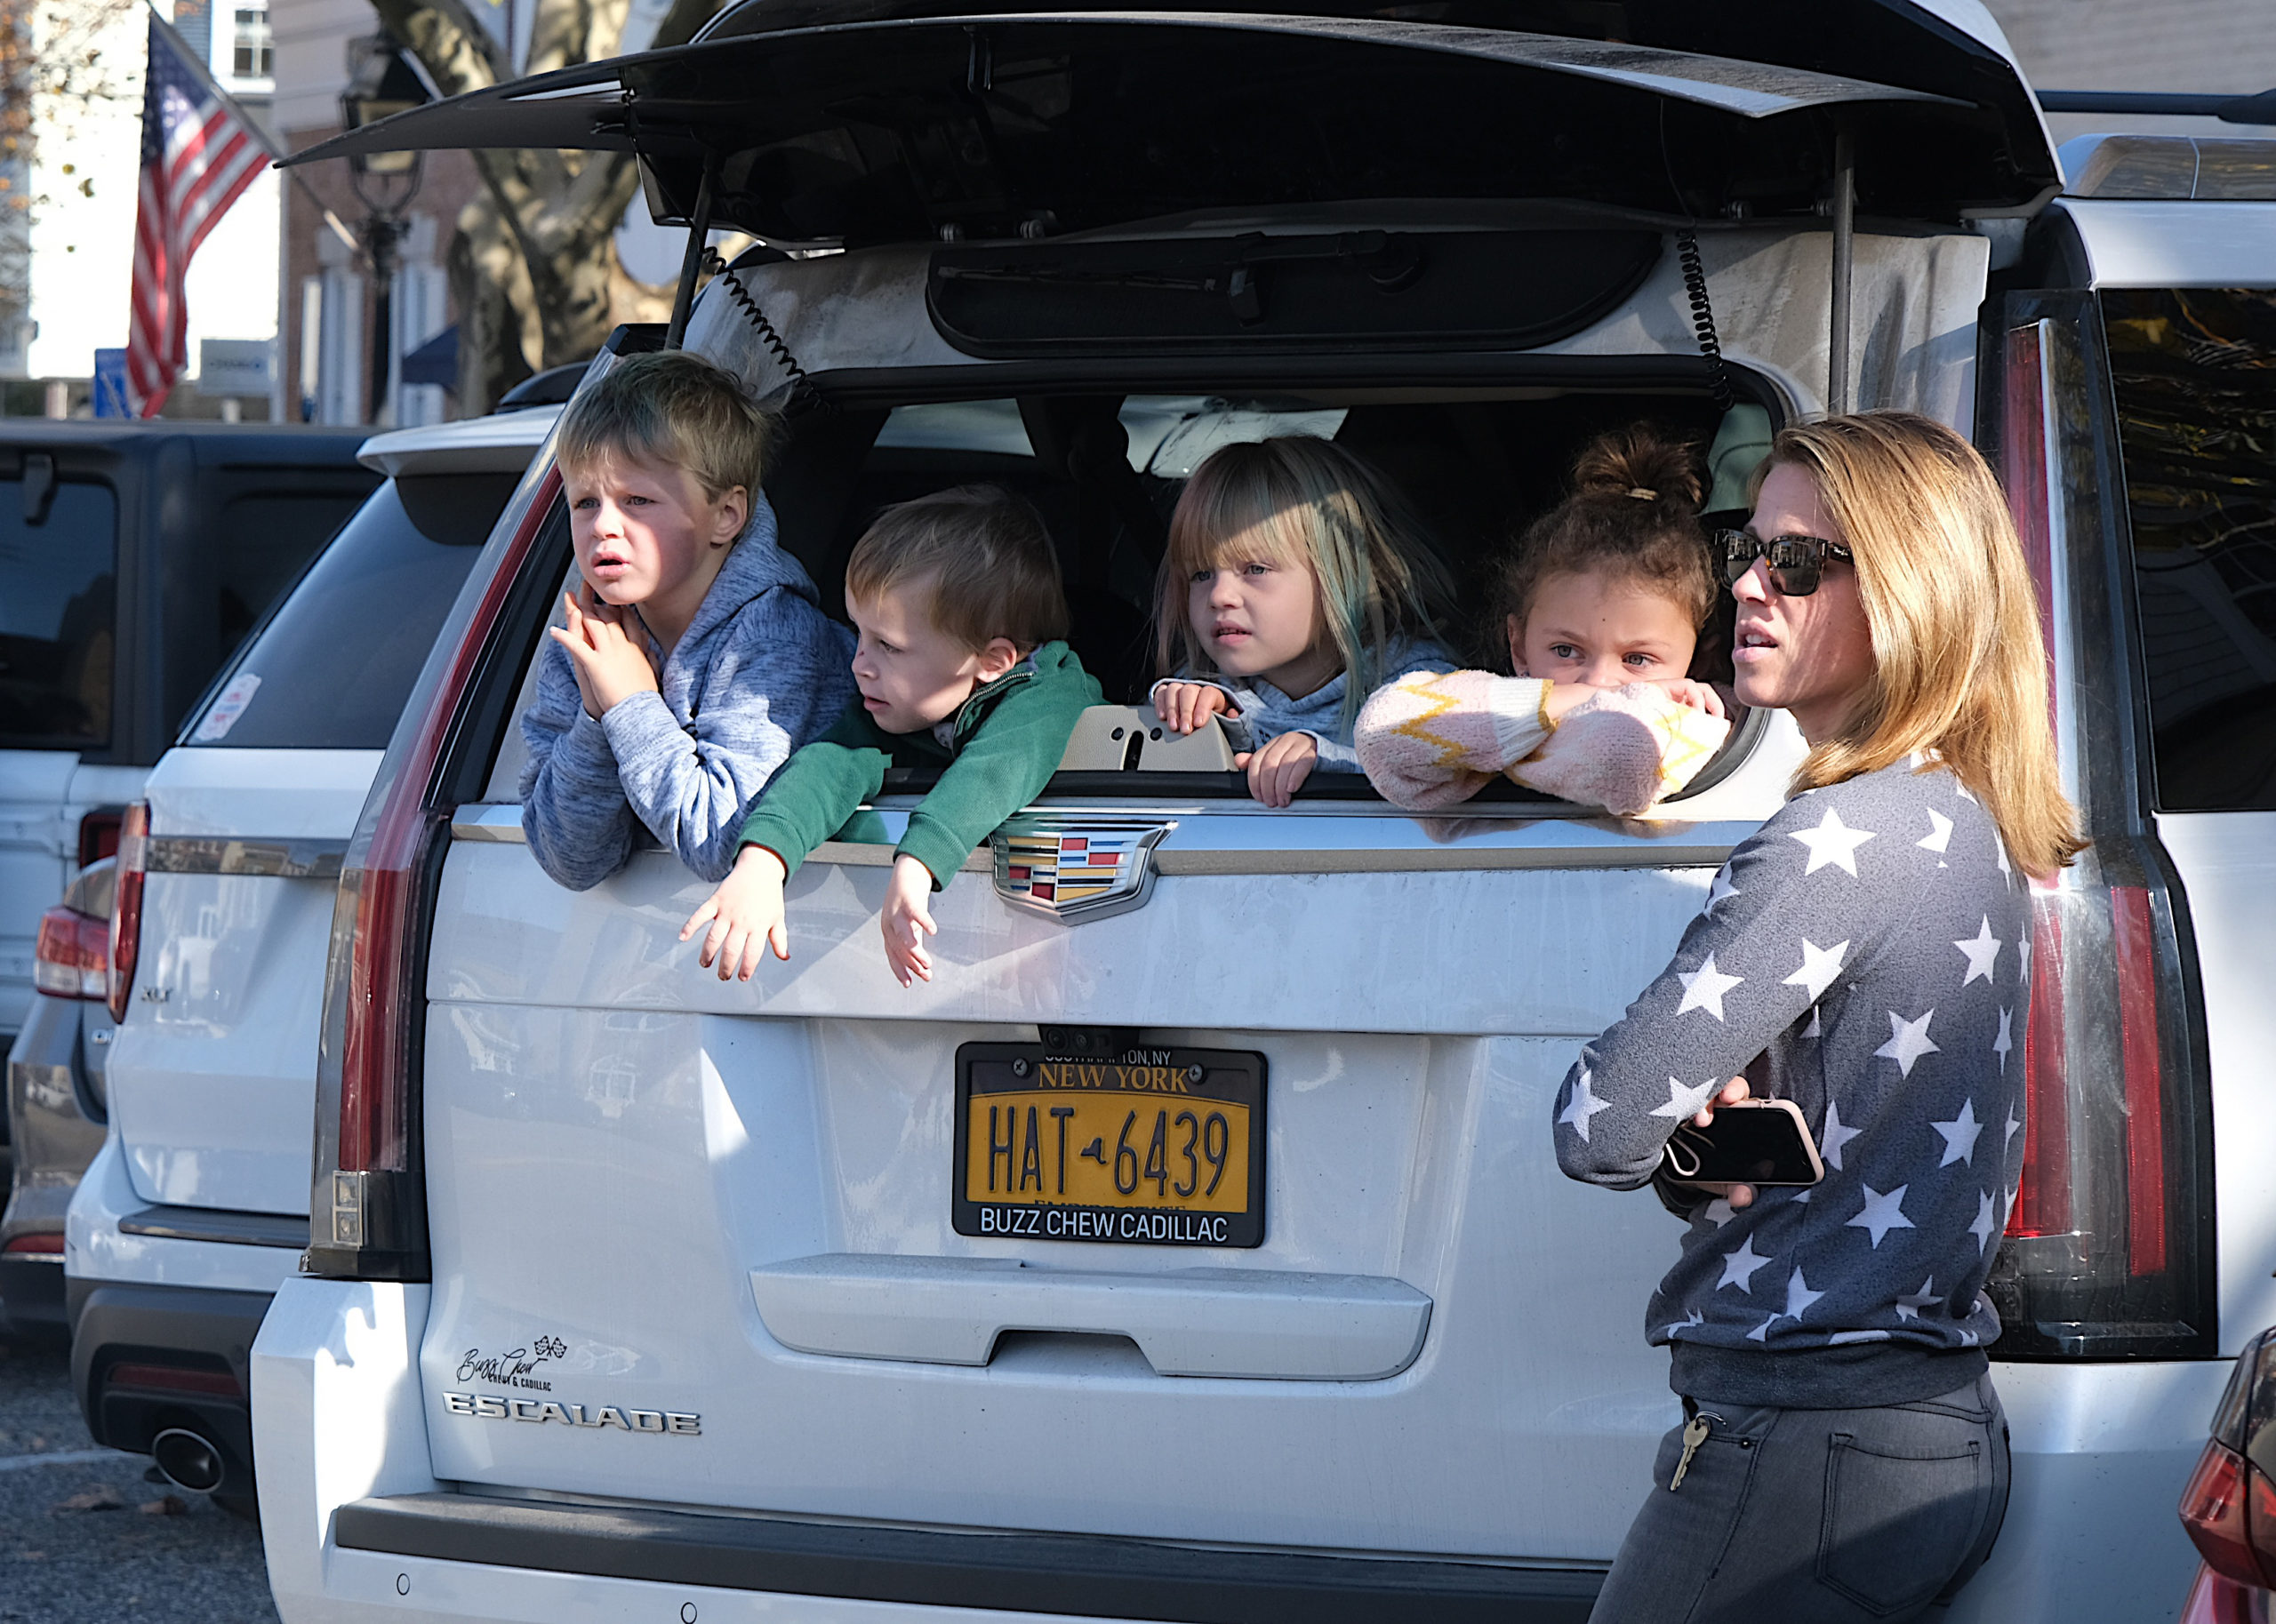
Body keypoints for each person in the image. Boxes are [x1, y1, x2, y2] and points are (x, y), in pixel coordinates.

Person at [1551, 412, 2084, 1622]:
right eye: (1751, 544)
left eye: (1798, 560)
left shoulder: (1836, 836)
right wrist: (1704, 1145)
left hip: (1801, 1445)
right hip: (1917, 1433)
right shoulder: (1963, 813)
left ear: (1907, 587)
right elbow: (1842, 1123)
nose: (1747, 581)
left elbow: (1596, 1120)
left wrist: (1668, 1120)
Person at [683, 485, 1102, 986]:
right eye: (858, 632)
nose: (859, 663)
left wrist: (919, 860)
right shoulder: (897, 708)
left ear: (993, 662)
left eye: (889, 646)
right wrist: (762, 861)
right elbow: (827, 765)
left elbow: (996, 767)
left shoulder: (1052, 692)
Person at [519, 350, 855, 888]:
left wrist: (629, 706)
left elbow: (725, 841)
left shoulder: (777, 641)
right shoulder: (589, 643)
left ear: (725, 515)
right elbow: (571, 861)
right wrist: (595, 716)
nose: (604, 526)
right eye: (585, 502)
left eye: (637, 500)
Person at [1355, 428, 1732, 814]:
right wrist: (1573, 703)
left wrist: (1493, 747)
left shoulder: (1708, 718)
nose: (1599, 682)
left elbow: (1622, 753)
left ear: (1700, 659)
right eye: (1565, 650)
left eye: (1637, 659)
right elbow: (1382, 735)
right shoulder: (1528, 698)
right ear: (1518, 647)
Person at [1149, 436, 1458, 806]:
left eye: (1256, 569)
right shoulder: (1209, 688)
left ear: (1341, 574)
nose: (1218, 596)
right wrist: (1184, 714)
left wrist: (1324, 760)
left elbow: (1453, 772)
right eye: (1200, 574)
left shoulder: (1418, 689)